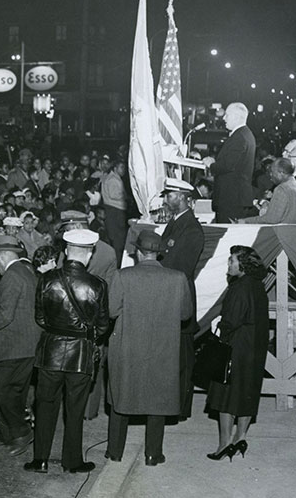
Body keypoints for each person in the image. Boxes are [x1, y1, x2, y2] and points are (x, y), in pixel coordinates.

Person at [25, 229, 110, 475]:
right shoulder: (98, 285)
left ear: (65, 251)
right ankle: (72, 461)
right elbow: (103, 325)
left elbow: (40, 317)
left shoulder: (47, 279)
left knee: (45, 406)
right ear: (90, 253)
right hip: (81, 355)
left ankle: (40, 459)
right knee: (75, 409)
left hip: (50, 351)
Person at [105, 230, 192, 466]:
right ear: (159, 254)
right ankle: (153, 454)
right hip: (163, 347)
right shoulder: (178, 278)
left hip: (128, 347)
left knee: (122, 396)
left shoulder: (122, 276)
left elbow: (111, 311)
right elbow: (186, 314)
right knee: (158, 399)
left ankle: (115, 451)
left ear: (137, 252)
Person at [0, 235, 40, 455]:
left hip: (17, 344)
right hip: (27, 342)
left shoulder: (12, 276)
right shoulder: (26, 270)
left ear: (2, 257)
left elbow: (5, 315)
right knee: (15, 390)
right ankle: (6, 434)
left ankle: (22, 433)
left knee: (4, 391)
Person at [206, 246, 269, 461]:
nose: (228, 265)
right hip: (255, 348)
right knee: (247, 392)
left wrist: (218, 326)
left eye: (231, 260)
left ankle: (224, 444)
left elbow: (231, 321)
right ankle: (240, 437)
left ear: (242, 264)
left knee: (226, 396)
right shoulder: (258, 286)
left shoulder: (238, 288)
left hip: (236, 348)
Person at [159, 177, 205, 419]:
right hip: (169, 295)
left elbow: (179, 267)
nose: (167, 199)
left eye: (172, 195)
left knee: (183, 358)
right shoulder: (177, 224)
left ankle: (179, 408)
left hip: (179, 297)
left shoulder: (191, 229)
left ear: (187, 199)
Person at [210, 102, 256, 222]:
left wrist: (210, 164)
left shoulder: (239, 137)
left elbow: (227, 165)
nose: (224, 118)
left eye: (227, 115)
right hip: (235, 198)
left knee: (227, 237)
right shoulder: (245, 134)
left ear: (236, 117)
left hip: (231, 199)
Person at [240, 157, 296, 224]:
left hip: (283, 232)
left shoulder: (282, 189)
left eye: (272, 172)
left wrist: (245, 221)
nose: (270, 175)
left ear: (281, 173)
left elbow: (271, 219)